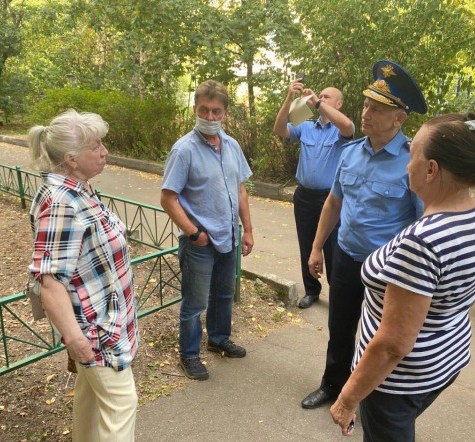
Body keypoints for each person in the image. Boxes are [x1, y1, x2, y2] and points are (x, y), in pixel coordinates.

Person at [330, 112, 475, 440]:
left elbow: (392, 345)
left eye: (412, 156)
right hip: (446, 359)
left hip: (396, 381)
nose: (407, 165)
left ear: (431, 169)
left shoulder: (423, 241)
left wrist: (347, 399)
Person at [301, 60, 426, 410]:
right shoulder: (351, 152)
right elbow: (332, 203)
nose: (366, 112)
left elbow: (423, 222)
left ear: (399, 118)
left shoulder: (412, 160)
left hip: (390, 271)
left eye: (377, 108)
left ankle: (372, 397)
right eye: (367, 104)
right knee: (340, 329)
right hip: (346, 258)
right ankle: (332, 386)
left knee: (379, 339)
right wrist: (315, 249)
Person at [28, 109, 139, 441]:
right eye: (96, 146)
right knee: (122, 405)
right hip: (97, 333)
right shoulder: (63, 202)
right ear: (71, 159)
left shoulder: (80, 190)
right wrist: (76, 341)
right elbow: (49, 282)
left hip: (107, 321)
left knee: (90, 403)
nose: (104, 152)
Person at [160, 80, 254, 381]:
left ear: (225, 113)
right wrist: (193, 233)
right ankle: (189, 355)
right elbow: (168, 198)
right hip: (200, 241)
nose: (210, 117)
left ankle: (218, 339)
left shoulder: (232, 145)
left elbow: (240, 189)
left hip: (229, 236)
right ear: (194, 110)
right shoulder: (184, 149)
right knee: (195, 302)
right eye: (204, 111)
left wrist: (248, 230)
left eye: (216, 112)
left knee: (224, 294)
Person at [274, 80, 355, 309]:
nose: (321, 97)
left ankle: (337, 293)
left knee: (333, 248)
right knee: (307, 244)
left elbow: (349, 127)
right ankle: (312, 290)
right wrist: (290, 99)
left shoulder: (341, 129)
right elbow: (280, 130)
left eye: (327, 97)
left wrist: (318, 103)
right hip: (304, 197)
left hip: (330, 200)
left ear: (338, 104)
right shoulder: (306, 126)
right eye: (321, 95)